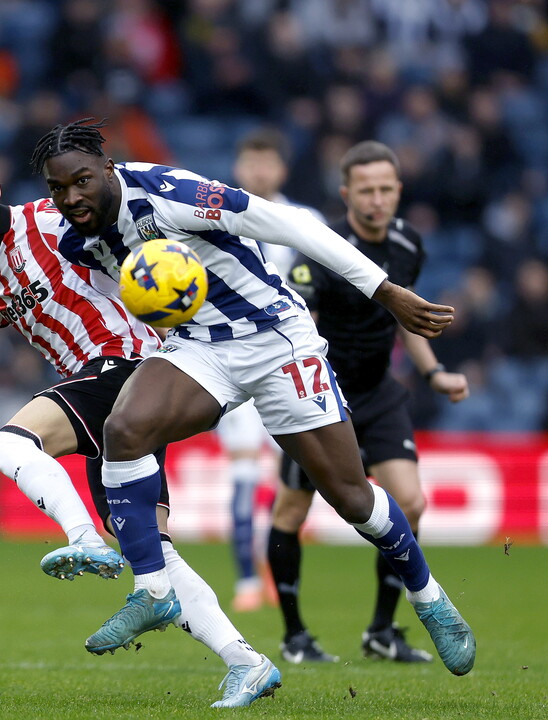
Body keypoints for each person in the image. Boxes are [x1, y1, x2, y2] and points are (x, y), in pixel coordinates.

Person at [33, 118, 476, 680]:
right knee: (124, 429)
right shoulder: (81, 238)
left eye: (83, 182)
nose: (72, 197)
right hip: (201, 349)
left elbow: (288, 224)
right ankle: (152, 588)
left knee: (351, 498)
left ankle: (428, 595)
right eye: (59, 189)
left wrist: (383, 291)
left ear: (108, 168)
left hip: (275, 340)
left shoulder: (173, 195)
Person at [0, 147, 279, 708]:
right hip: (105, 401)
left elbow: (129, 219)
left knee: (8, 440)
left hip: (129, 367)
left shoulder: (53, 217)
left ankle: (81, 537)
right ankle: (247, 663)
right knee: (150, 553)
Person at [270, 140, 470, 665]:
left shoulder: (408, 244)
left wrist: (435, 373)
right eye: (366, 191)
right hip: (322, 396)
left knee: (412, 501)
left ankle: (382, 630)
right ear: (346, 193)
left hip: (380, 393)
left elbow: (408, 321)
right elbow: (298, 325)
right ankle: (294, 636)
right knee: (291, 509)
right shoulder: (323, 248)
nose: (377, 200)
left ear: (398, 191)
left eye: (386, 189)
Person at [220, 128, 325, 613]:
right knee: (243, 474)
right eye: (251, 162)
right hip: (235, 364)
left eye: (268, 162)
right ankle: (246, 578)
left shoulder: (304, 221)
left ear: (281, 169)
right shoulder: (213, 215)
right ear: (239, 167)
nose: (259, 171)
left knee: (292, 479)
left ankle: (274, 571)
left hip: (291, 365)